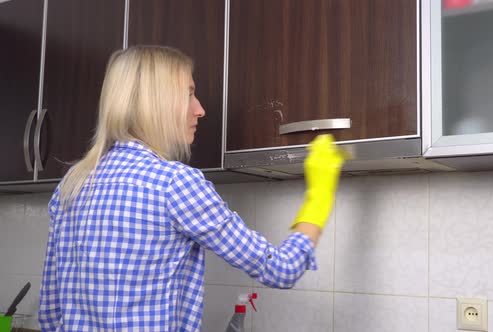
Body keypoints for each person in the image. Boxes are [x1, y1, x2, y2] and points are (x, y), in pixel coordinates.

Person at [38, 45, 346, 331]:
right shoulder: (175, 184)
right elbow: (280, 269)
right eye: (188, 95)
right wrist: (319, 196)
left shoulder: (72, 184)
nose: (200, 109)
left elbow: (51, 314)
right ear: (155, 103)